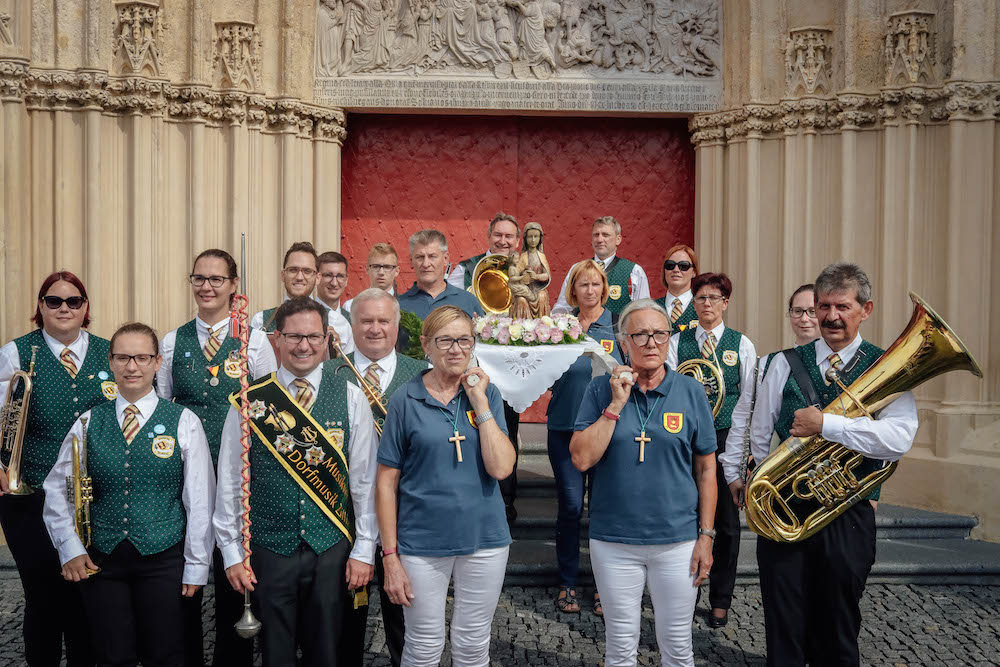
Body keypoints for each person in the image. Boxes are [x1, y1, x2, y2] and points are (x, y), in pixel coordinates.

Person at [738, 263, 918, 667]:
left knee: (838, 619)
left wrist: (828, 425)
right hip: (787, 506)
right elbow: (761, 429)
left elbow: (899, 440)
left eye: (842, 306)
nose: (831, 317)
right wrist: (746, 474)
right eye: (823, 306)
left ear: (865, 309)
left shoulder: (888, 365)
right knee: (783, 616)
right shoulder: (785, 362)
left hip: (849, 511)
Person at [214, 297, 378, 667]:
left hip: (331, 548)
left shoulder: (351, 397)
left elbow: (364, 482)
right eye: (293, 337)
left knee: (327, 652)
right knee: (275, 653)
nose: (303, 346)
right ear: (276, 340)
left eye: (312, 337)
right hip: (269, 549)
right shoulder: (249, 400)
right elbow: (230, 483)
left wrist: (365, 549)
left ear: (327, 340)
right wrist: (231, 552)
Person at [42, 322, 215, 667]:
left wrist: (196, 566)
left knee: (166, 654)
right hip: (102, 561)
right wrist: (69, 548)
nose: (131, 366)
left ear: (157, 362)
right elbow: (56, 490)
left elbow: (199, 500)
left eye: (141, 357)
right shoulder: (88, 422)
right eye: (122, 358)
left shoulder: (184, 421)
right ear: (111, 361)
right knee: (111, 655)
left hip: (164, 557)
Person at [570, 299, 716, 667]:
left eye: (660, 334)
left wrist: (706, 536)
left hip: (677, 541)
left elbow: (707, 470)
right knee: (619, 645)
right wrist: (615, 406)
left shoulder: (690, 392)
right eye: (640, 335)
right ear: (624, 343)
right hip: (614, 539)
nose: (651, 343)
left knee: (678, 644)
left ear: (669, 340)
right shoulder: (601, 390)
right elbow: (581, 458)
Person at [157, 249, 278, 666]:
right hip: (184, 474)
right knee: (185, 572)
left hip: (237, 475)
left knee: (234, 570)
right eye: (199, 278)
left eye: (216, 279)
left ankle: (234, 658)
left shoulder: (255, 340)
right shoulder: (173, 341)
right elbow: (162, 405)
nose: (206, 287)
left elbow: (267, 408)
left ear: (233, 285)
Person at [377, 306, 515, 667]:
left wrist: (480, 403)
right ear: (426, 345)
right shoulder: (405, 400)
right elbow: (386, 482)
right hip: (422, 541)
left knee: (473, 644)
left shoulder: (488, 394)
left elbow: (501, 467)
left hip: (484, 539)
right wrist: (390, 556)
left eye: (464, 340)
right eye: (446, 340)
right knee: (423, 645)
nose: (456, 349)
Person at [0, 271, 114, 667]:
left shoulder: (110, 352)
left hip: (95, 497)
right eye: (53, 301)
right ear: (40, 307)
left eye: (73, 301)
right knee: (43, 596)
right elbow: (2, 422)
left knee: (87, 595)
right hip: (31, 495)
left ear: (86, 308)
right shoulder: (16, 353)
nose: (64, 308)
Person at [335, 288, 428, 667]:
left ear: (396, 325)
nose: (375, 329)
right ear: (352, 326)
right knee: (342, 622)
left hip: (405, 515)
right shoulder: (328, 374)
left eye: (383, 321)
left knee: (404, 620)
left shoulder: (422, 375)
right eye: (366, 321)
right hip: (342, 514)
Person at [666, 273, 756, 629]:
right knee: (688, 519)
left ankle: (721, 599)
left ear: (725, 303)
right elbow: (671, 387)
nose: (706, 304)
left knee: (728, 526)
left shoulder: (742, 344)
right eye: (700, 298)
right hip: (687, 440)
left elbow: (750, 401)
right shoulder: (677, 342)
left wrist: (745, 454)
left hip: (726, 442)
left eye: (713, 298)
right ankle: (686, 592)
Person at [546, 259, 622, 616]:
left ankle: (603, 587)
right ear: (572, 290)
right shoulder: (559, 326)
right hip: (563, 427)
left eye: (595, 285)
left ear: (603, 289)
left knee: (603, 509)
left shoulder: (619, 324)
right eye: (582, 285)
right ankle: (567, 583)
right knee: (572, 507)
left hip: (605, 429)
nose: (589, 291)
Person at [719, 283, 819, 506]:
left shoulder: (836, 364)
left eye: (812, 311)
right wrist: (733, 472)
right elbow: (744, 417)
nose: (805, 318)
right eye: (797, 311)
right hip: (776, 477)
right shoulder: (767, 364)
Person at [397, 229, 482, 357]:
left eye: (432, 256)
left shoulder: (468, 301)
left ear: (445, 259)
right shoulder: (399, 306)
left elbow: (481, 350)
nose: (426, 264)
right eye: (420, 257)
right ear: (411, 261)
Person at [553, 216, 650, 314]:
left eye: (605, 235)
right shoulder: (577, 269)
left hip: (619, 329)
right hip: (583, 328)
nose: (599, 239)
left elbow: (645, 312)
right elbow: (563, 306)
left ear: (618, 239)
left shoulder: (634, 271)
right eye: (596, 235)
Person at [250, 241, 321, 333]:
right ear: (283, 275)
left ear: (318, 278)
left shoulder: (335, 322)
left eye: (307, 271)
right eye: (293, 270)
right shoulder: (260, 321)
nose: (299, 277)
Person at [446, 212, 521, 291]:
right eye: (498, 235)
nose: (502, 242)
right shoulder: (466, 269)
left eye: (508, 236)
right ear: (489, 237)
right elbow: (446, 301)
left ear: (517, 241)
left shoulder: (525, 268)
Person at [508, 221, 552, 318]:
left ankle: (543, 324)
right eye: (530, 237)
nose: (533, 240)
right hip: (525, 289)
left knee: (542, 296)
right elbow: (515, 275)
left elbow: (546, 276)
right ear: (525, 238)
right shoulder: (522, 257)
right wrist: (523, 277)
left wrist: (536, 276)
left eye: (536, 236)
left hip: (538, 288)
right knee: (521, 300)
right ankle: (522, 328)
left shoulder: (541, 256)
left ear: (540, 238)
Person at [316, 250, 356, 354]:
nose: (334, 283)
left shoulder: (353, 321)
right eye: (328, 275)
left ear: (346, 280)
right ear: (317, 277)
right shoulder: (304, 314)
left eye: (340, 276)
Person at [655, 244, 699, 334]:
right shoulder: (651, 308)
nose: (676, 270)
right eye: (670, 265)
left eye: (683, 266)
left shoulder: (703, 307)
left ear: (693, 271)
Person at [344, 242, 401, 312]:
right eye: (376, 266)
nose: (381, 272)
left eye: (387, 267)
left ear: (396, 271)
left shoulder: (406, 306)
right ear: (367, 269)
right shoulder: (351, 306)